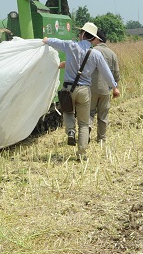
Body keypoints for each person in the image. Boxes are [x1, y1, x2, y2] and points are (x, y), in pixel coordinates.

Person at [44, 22, 120, 159]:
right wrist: (114, 87)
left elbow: (56, 42)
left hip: (68, 88)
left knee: (68, 112)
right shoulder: (96, 54)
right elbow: (106, 73)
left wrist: (46, 40)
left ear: (83, 34)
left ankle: (71, 131)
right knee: (84, 123)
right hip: (84, 90)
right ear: (93, 38)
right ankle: (81, 153)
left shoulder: (70, 46)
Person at [89, 31, 120, 143]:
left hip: (91, 87)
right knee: (103, 114)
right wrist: (115, 87)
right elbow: (116, 74)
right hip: (106, 89)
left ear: (97, 39)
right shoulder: (112, 54)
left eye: (92, 38)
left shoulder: (91, 51)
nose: (91, 41)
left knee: (89, 113)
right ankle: (101, 138)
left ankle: (86, 133)